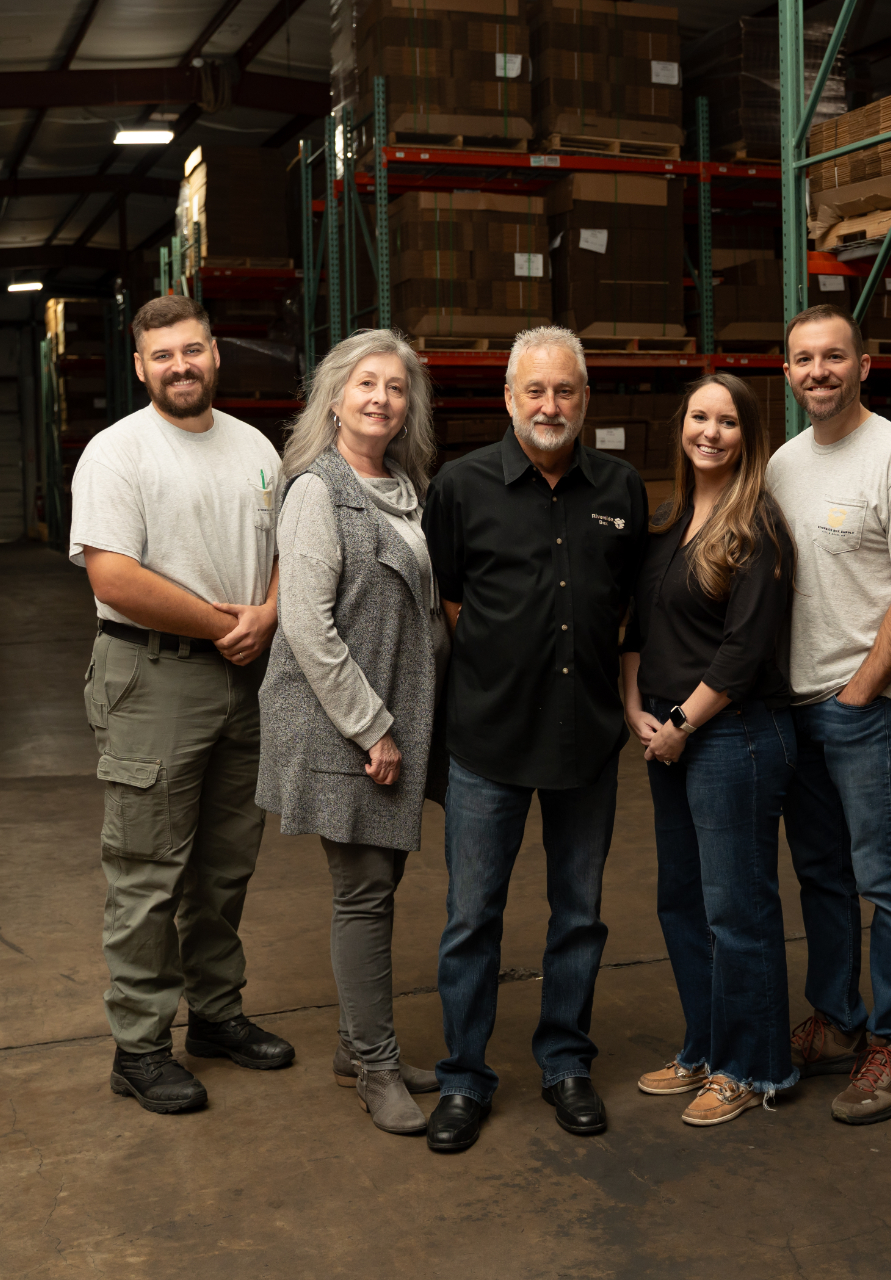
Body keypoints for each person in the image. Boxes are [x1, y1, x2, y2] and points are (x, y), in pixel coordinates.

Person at [419, 326, 648, 1154]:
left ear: (585, 399)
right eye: (535, 391)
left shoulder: (620, 485)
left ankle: (564, 1064)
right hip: (487, 741)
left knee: (580, 915)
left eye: (566, 391)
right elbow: (446, 603)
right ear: (509, 398)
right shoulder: (459, 485)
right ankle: (463, 1078)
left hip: (585, 742)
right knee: (472, 918)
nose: (550, 405)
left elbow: (625, 607)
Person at [70, 294, 294, 1115]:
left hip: (246, 675)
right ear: (140, 367)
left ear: (216, 354)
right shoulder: (117, 452)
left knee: (226, 863)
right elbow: (112, 577)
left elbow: (285, 549)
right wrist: (221, 626)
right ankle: (138, 1046)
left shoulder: (255, 447)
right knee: (147, 870)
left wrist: (267, 614)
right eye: (162, 356)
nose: (181, 366)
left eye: (193, 350)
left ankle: (217, 1014)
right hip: (154, 675)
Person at [256, 329, 450, 1137]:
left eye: (396, 388)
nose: (381, 398)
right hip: (344, 727)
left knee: (380, 884)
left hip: (395, 719)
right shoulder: (317, 491)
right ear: (334, 398)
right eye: (365, 384)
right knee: (365, 894)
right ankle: (374, 1066)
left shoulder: (404, 484)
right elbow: (305, 625)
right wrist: (373, 729)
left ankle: (354, 1043)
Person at [766, 304, 891, 1125]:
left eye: (834, 357)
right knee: (822, 878)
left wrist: (860, 693)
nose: (820, 372)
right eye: (805, 359)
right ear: (787, 371)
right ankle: (840, 1023)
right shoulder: (779, 464)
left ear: (865, 365)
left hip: (865, 712)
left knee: (886, 881)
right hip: (793, 711)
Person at [622, 373, 798, 1127]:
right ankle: (703, 1047)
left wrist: (681, 726)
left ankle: (756, 1067)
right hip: (665, 732)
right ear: (682, 426)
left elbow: (743, 651)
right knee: (683, 904)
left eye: (727, 421)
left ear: (746, 436)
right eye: (699, 416)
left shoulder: (756, 526)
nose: (710, 432)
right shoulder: (666, 523)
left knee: (738, 909)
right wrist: (634, 709)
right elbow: (639, 631)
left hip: (729, 736)